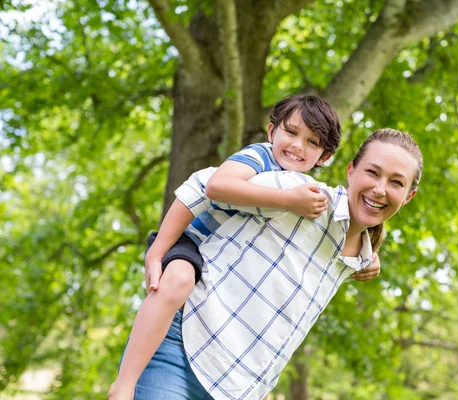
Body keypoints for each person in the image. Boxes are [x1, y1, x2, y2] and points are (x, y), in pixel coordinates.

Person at [116, 128, 423, 400]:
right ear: (351, 171)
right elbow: (208, 185)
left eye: (396, 183)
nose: (380, 189)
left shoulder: (357, 259)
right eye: (372, 172)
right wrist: (157, 251)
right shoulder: (297, 193)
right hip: (183, 352)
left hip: (239, 388)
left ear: (408, 197)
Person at [109, 94, 348, 399]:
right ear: (272, 131)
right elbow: (213, 187)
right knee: (179, 281)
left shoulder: (300, 186)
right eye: (291, 132)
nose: (298, 145)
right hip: (193, 241)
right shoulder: (260, 157)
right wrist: (156, 252)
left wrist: (368, 259)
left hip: (217, 270)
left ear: (325, 157)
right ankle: (124, 383)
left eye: (312, 142)